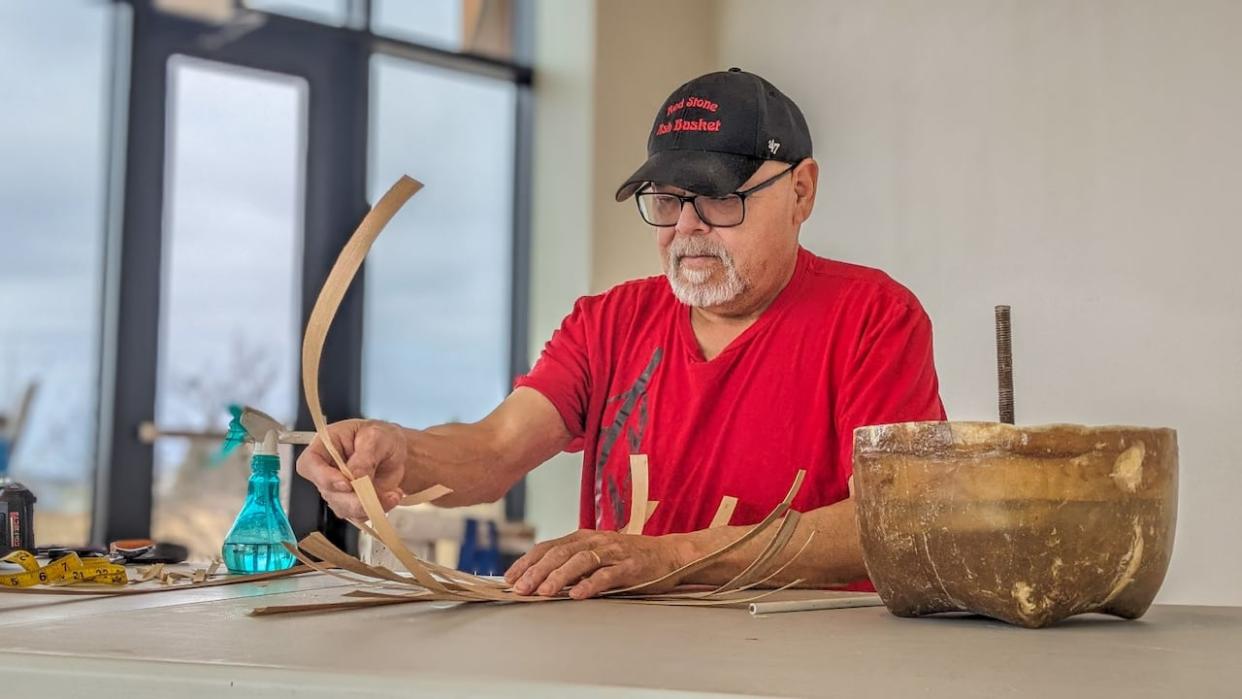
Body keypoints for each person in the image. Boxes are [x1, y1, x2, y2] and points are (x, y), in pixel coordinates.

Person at [297, 68, 945, 598]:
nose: (687, 228)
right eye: (666, 200)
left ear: (801, 191)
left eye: (720, 199)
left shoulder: (874, 317)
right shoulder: (607, 322)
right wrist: (399, 451)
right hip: (623, 656)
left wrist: (672, 556)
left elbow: (891, 520)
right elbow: (495, 448)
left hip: (806, 661)